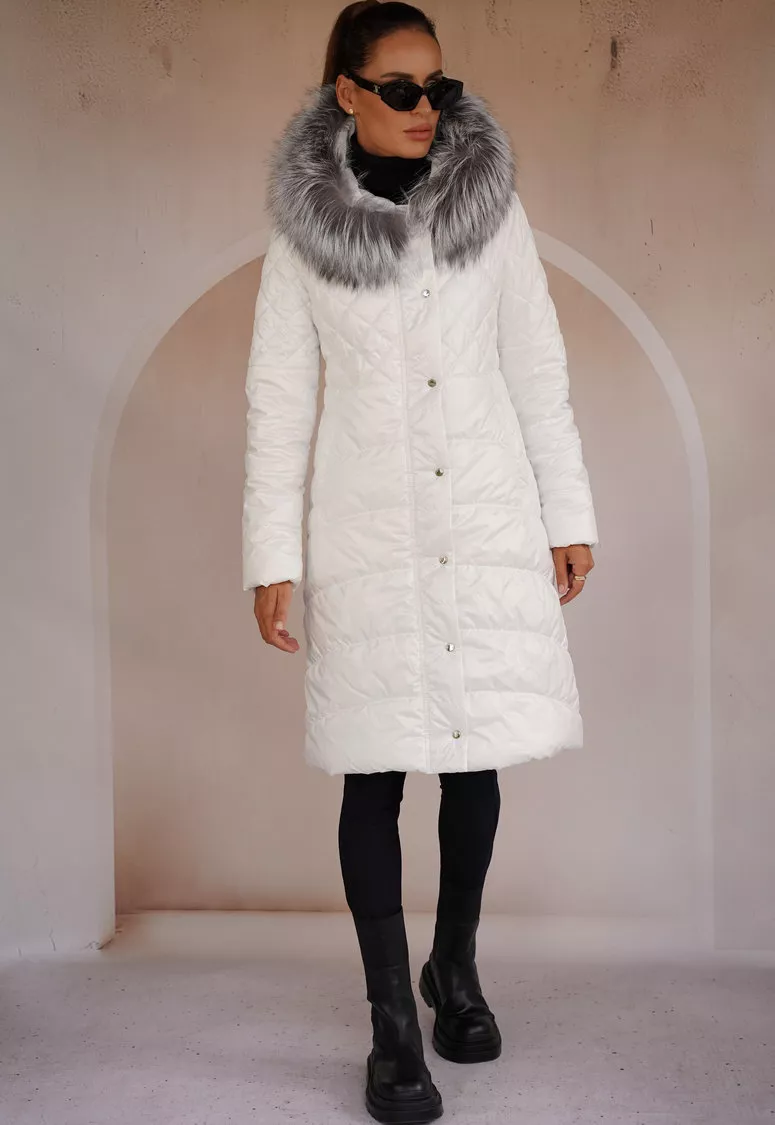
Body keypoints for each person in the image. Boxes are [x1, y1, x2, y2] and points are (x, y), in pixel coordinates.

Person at [242, 2, 598, 1121]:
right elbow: (278, 403)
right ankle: (393, 1024)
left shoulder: (492, 210)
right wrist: (271, 556)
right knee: (375, 768)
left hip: (485, 519)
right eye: (399, 88)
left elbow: (537, 368)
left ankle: (456, 967)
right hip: (369, 533)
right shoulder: (304, 234)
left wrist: (566, 514)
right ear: (346, 92)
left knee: (474, 760)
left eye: (436, 87)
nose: (423, 108)